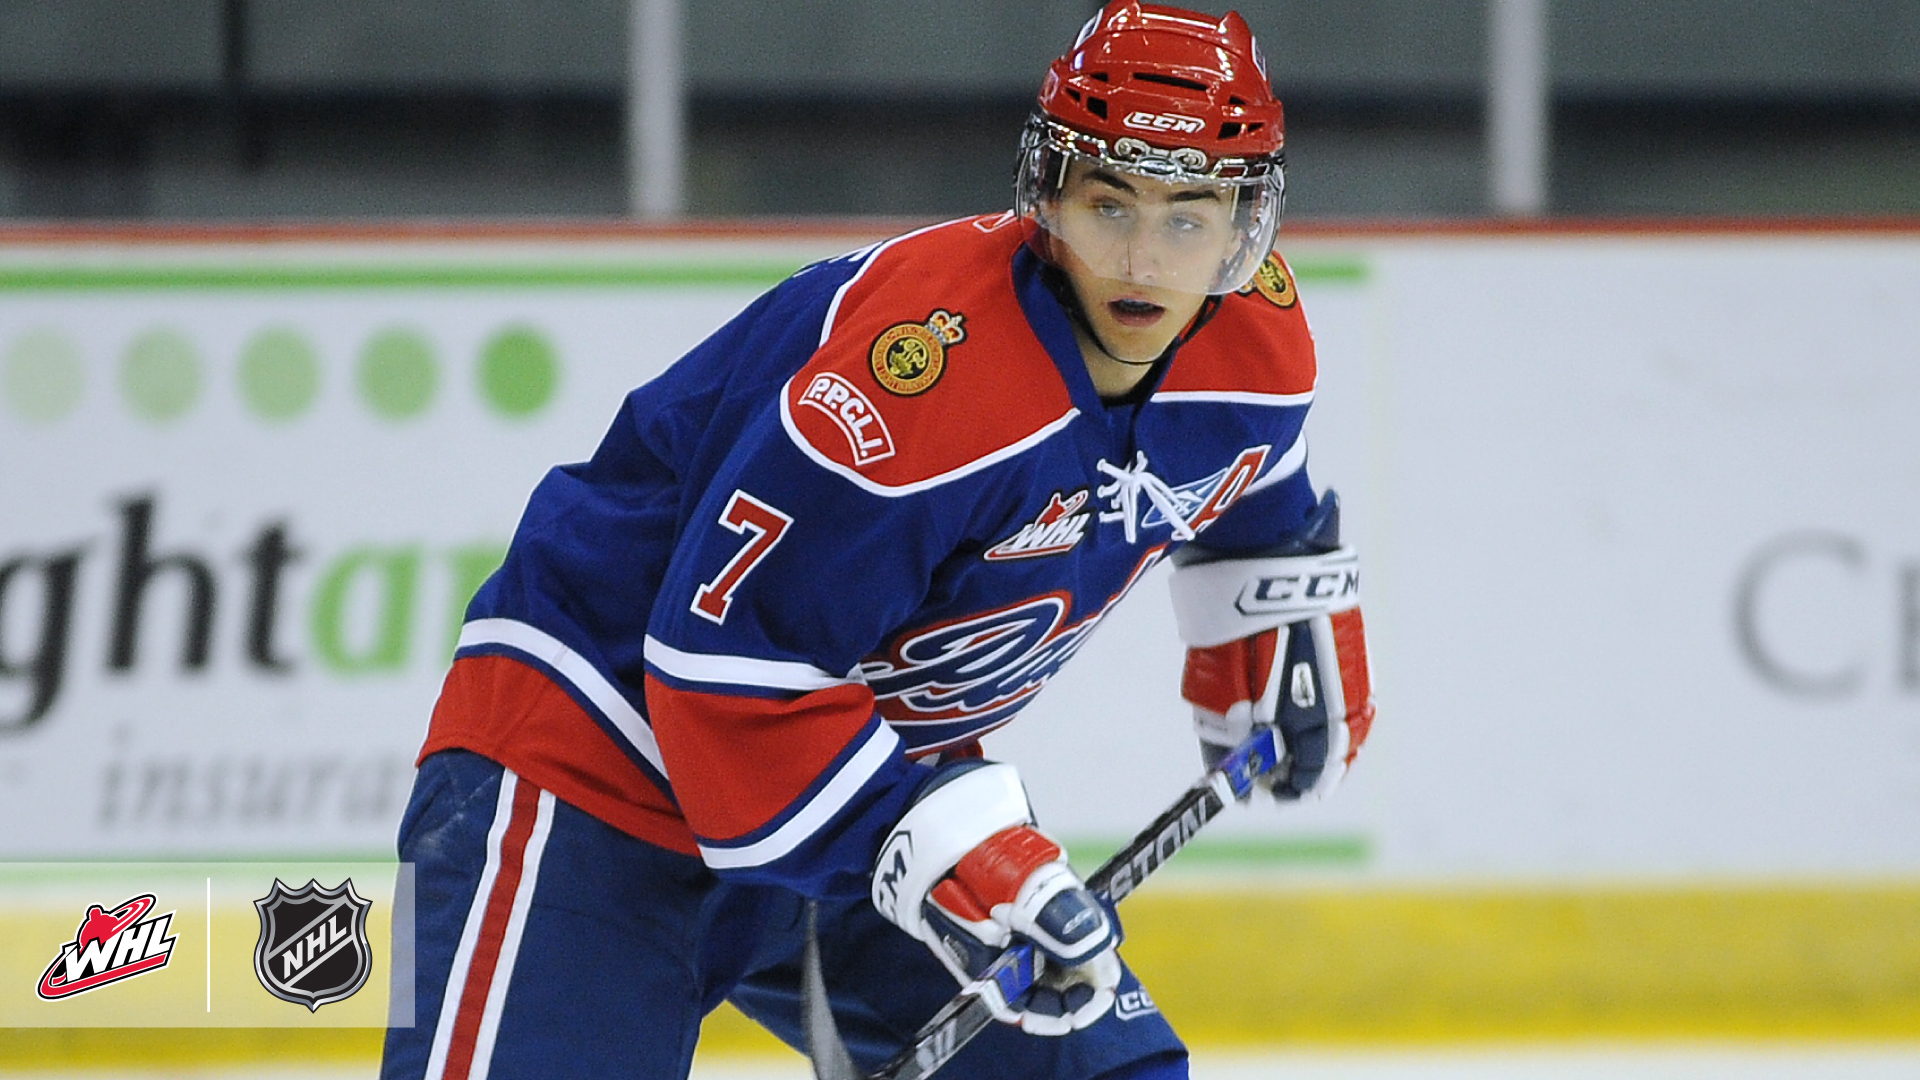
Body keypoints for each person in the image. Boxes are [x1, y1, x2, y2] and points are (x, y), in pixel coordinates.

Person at [380, 4, 1374, 1079]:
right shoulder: (925, 389)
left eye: (1187, 217)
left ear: (1244, 228)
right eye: (1108, 204)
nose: (1141, 259)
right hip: (591, 770)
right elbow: (722, 668)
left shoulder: (1256, 348)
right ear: (1048, 194)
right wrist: (938, 844)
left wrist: (1269, 600)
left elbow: (1251, 474)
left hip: (847, 782)